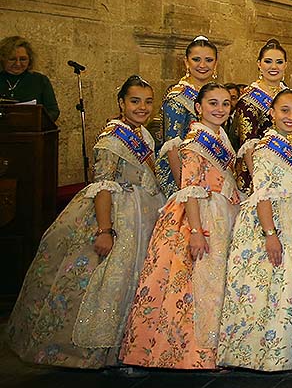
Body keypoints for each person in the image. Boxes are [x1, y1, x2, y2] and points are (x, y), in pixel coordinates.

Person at [7, 76, 161, 370]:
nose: (142, 107)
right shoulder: (112, 139)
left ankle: (131, 349)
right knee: (110, 283)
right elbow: (102, 187)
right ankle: (102, 354)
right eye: (135, 101)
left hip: (144, 212)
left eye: (147, 101)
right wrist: (105, 230)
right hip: (118, 215)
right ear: (121, 103)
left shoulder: (142, 134)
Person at [120, 82, 237, 370]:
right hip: (201, 217)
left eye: (225, 104)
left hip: (222, 211)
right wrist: (196, 232)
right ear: (198, 108)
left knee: (214, 284)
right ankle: (191, 353)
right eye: (213, 103)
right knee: (196, 284)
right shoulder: (194, 142)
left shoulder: (220, 136)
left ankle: (212, 350)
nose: (220, 109)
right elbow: (190, 189)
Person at [218, 90, 292, 373]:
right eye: (285, 110)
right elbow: (261, 193)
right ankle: (262, 356)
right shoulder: (263, 148)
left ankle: (280, 353)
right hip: (272, 220)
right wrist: (270, 234)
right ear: (272, 112)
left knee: (287, 286)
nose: (291, 117)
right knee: (271, 287)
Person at [156, 36, 219, 196]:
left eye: (209, 60)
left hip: (212, 171)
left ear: (216, 63)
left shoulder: (217, 93)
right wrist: (183, 188)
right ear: (186, 62)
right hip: (186, 175)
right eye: (196, 59)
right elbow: (172, 147)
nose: (203, 65)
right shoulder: (177, 97)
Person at [229, 39, 290, 157]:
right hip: (259, 166)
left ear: (285, 65)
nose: (274, 66)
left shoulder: (289, 94)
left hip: (288, 161)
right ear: (259, 64)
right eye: (268, 61)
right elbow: (248, 147)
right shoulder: (248, 100)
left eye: (279, 62)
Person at [0, 35, 60, 121]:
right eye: (12, 59)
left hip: (32, 132)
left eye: (23, 59)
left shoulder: (40, 80)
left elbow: (53, 111)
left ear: (30, 60)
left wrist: (36, 122)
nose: (18, 64)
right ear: (2, 59)